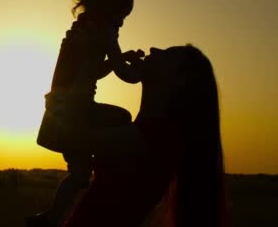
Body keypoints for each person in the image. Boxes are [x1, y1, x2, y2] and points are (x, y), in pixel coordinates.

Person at [28, 0, 144, 227]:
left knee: (80, 173)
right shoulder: (104, 31)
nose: (122, 23)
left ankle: (50, 218)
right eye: (121, 15)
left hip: (58, 110)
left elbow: (91, 71)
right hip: (77, 111)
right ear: (108, 7)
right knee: (123, 120)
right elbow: (126, 75)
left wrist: (119, 58)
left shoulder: (79, 31)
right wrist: (141, 71)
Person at [65, 45, 228, 227]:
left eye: (167, 54)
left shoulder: (155, 136)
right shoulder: (146, 130)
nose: (154, 49)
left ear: (180, 81)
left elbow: (62, 136)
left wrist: (87, 72)